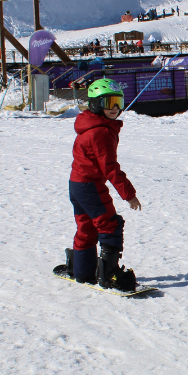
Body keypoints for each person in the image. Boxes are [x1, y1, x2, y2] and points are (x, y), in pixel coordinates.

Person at [63, 79, 141, 290]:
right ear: (96, 104)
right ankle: (109, 275)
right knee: (110, 224)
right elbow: (110, 167)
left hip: (77, 184)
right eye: (108, 102)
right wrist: (129, 194)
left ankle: (82, 270)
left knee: (87, 227)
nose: (115, 108)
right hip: (90, 186)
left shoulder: (90, 124)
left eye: (118, 102)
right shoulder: (101, 132)